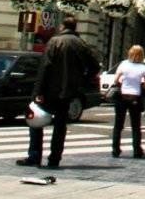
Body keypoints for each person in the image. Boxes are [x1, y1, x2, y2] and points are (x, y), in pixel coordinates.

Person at [18, 15, 98, 169]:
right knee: (60, 125)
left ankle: (34, 155)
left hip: (50, 89)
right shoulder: (81, 44)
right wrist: (81, 81)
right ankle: (54, 158)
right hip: (68, 91)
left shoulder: (55, 41)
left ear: (62, 26)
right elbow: (94, 66)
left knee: (36, 121)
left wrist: (38, 91)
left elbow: (45, 66)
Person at [110, 44, 145, 158]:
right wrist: (140, 85)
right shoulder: (144, 67)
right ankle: (137, 150)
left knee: (118, 125)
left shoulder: (123, 64)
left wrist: (123, 84)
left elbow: (116, 80)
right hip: (135, 97)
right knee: (136, 126)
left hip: (122, 96)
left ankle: (115, 149)